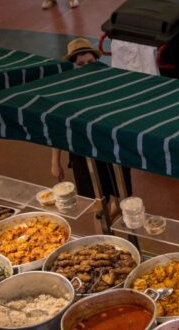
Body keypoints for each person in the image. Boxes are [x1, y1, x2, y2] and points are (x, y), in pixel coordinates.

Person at [50, 38, 132, 206]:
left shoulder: (109, 83)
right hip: (81, 149)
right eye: (81, 64)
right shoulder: (65, 92)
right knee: (93, 199)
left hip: (109, 146)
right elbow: (56, 129)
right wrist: (55, 162)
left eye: (91, 62)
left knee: (120, 192)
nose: (87, 67)